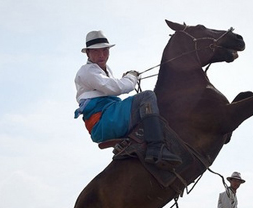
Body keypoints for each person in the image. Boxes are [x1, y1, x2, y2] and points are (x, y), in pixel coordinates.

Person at [74, 30, 181, 169]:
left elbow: (112, 86)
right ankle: (156, 148)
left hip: (108, 118)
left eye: (105, 50)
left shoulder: (103, 70)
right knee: (147, 97)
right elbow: (115, 88)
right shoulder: (87, 71)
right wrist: (131, 77)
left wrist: (126, 79)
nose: (102, 55)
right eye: (96, 51)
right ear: (88, 53)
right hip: (103, 123)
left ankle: (136, 146)